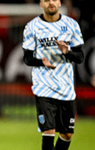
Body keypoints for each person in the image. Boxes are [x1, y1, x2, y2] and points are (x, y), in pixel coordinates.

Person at [22, 0, 84, 150]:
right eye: (46, 0)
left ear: (59, 2)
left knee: (67, 134)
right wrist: (42, 62)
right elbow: (27, 58)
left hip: (66, 88)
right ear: (40, 4)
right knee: (48, 131)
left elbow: (80, 57)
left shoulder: (72, 25)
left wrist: (67, 52)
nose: (51, 2)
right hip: (43, 86)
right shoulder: (32, 26)